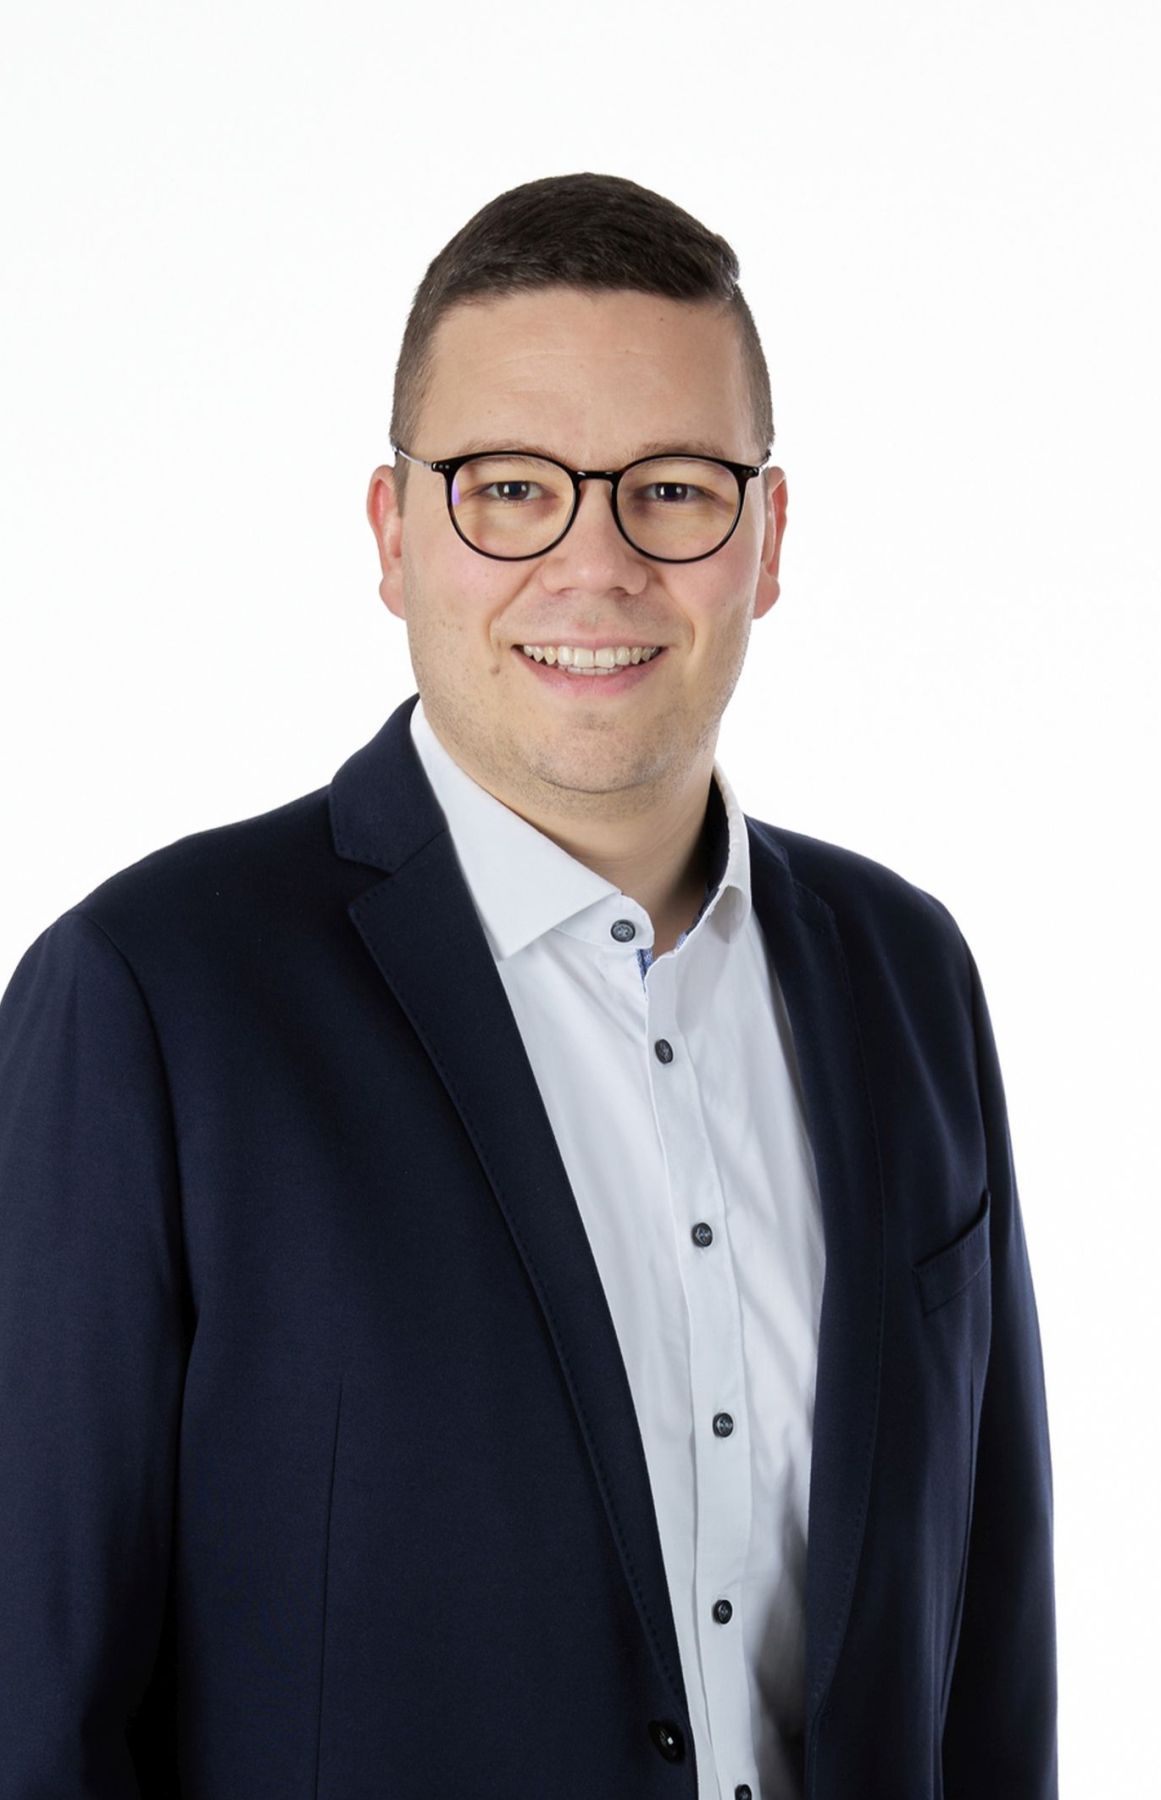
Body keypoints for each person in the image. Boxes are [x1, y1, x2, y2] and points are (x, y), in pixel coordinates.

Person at [0, 172, 1056, 1800]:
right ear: (393, 534)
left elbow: (988, 1654)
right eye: (509, 489)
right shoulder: (151, 997)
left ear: (765, 540)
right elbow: (31, 1703)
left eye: (672, 490)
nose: (595, 563)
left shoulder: (905, 976)